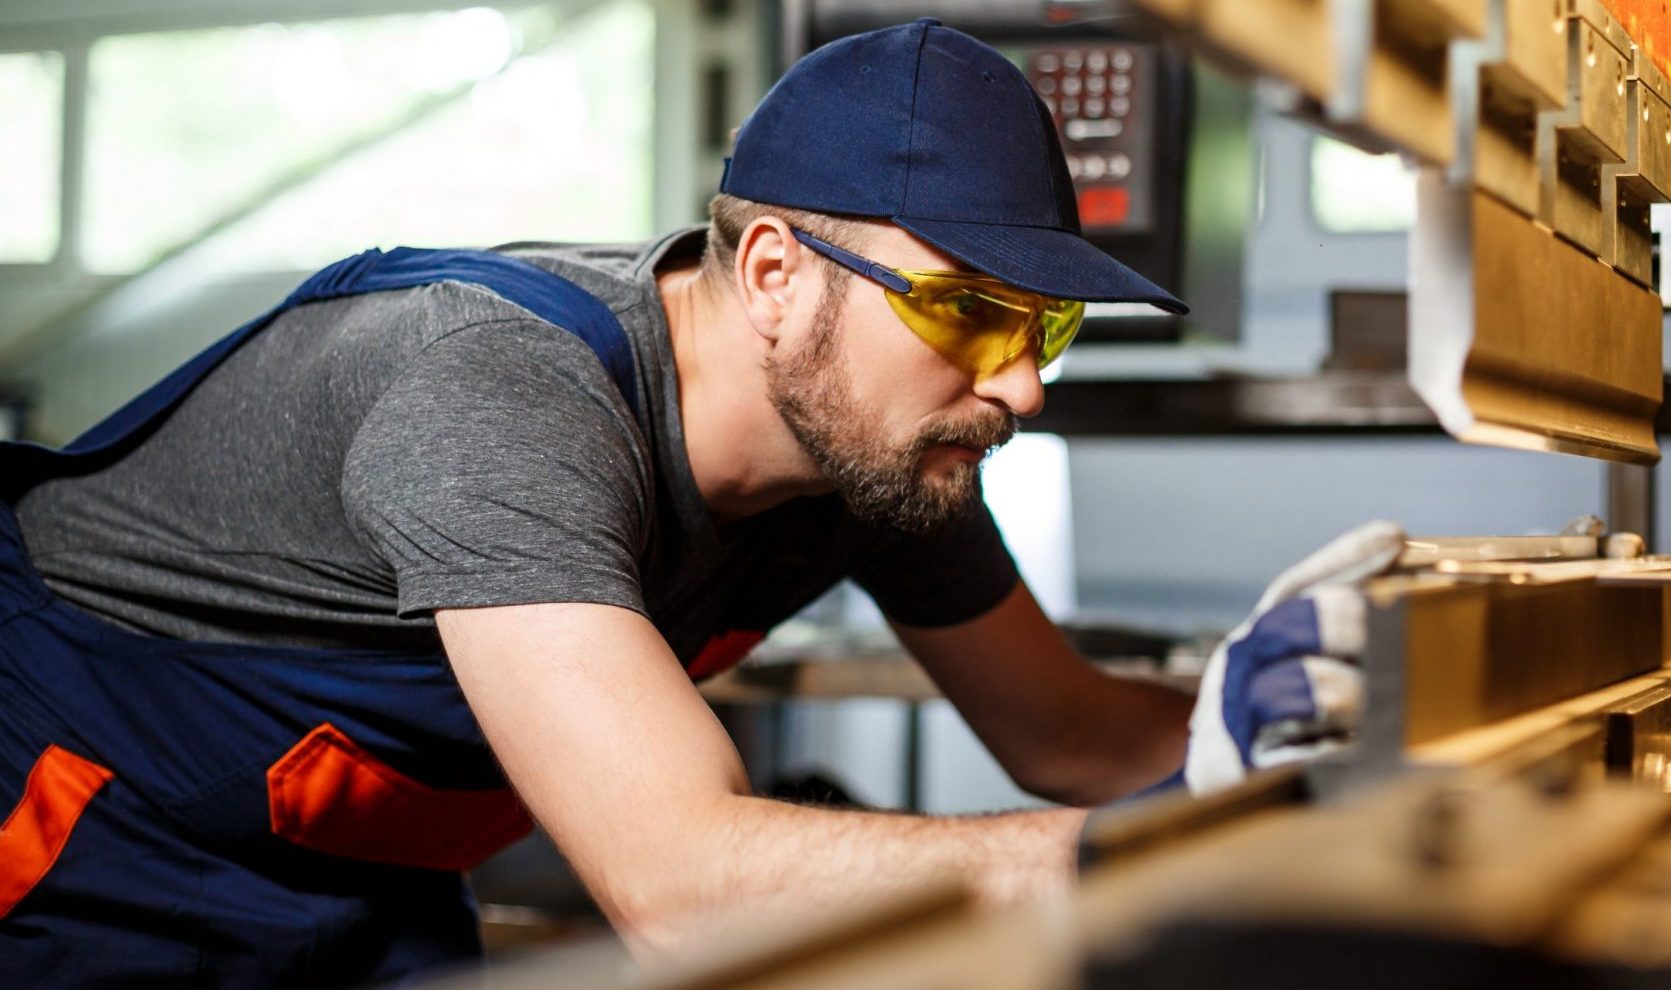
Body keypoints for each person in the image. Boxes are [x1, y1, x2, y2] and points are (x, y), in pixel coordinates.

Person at [0, 19, 1196, 989]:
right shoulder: (499, 392)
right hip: (80, 848)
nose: (1022, 385)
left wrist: (1302, 736)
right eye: (969, 312)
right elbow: (683, 886)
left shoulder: (874, 456)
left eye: (1049, 327)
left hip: (369, 873)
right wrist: (1134, 863)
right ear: (776, 275)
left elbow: (1075, 735)